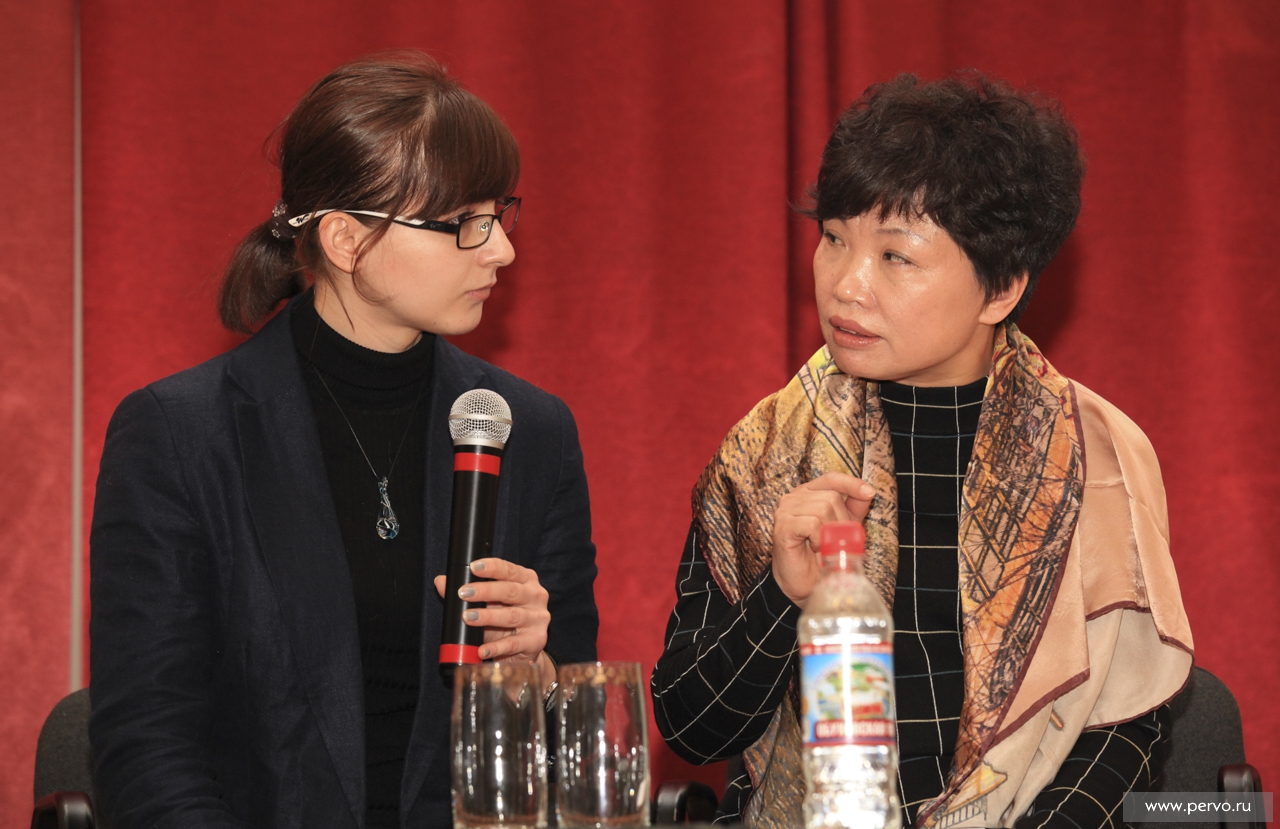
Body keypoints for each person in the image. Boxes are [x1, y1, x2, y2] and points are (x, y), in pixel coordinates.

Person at [651, 73, 1192, 829]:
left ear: (1000, 289)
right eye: (834, 240)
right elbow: (690, 728)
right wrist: (780, 595)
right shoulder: (767, 449)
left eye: (895, 257)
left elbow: (1126, 723)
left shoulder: (1093, 455)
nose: (847, 285)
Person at [89, 53, 599, 829]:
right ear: (344, 238)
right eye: (464, 223)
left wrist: (541, 673)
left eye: (499, 214)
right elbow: (147, 751)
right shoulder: (180, 436)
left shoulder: (532, 432)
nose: (501, 249)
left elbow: (580, 757)